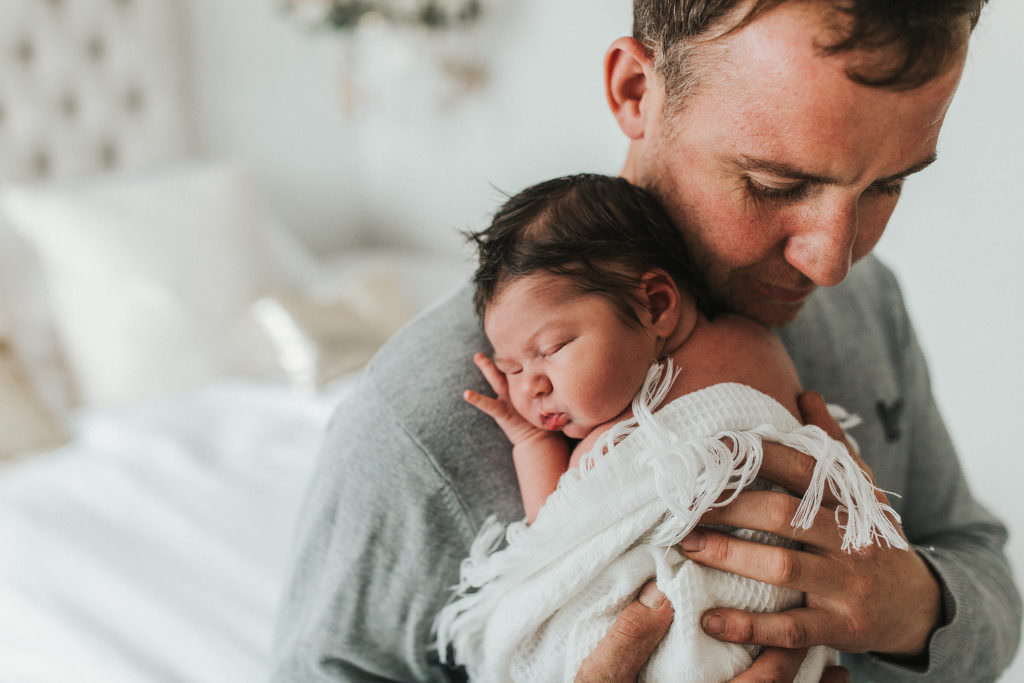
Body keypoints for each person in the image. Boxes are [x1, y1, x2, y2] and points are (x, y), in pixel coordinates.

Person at [270, 1, 1022, 681]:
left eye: (888, 185)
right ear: (636, 91)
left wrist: (916, 609)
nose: (831, 262)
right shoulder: (418, 423)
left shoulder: (867, 300)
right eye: (774, 184)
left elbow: (976, 555)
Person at [434, 172, 904, 681]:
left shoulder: (611, 441)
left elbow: (552, 540)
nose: (531, 387)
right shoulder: (754, 341)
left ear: (656, 305)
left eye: (552, 349)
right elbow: (572, 546)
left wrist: (530, 442)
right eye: (510, 369)